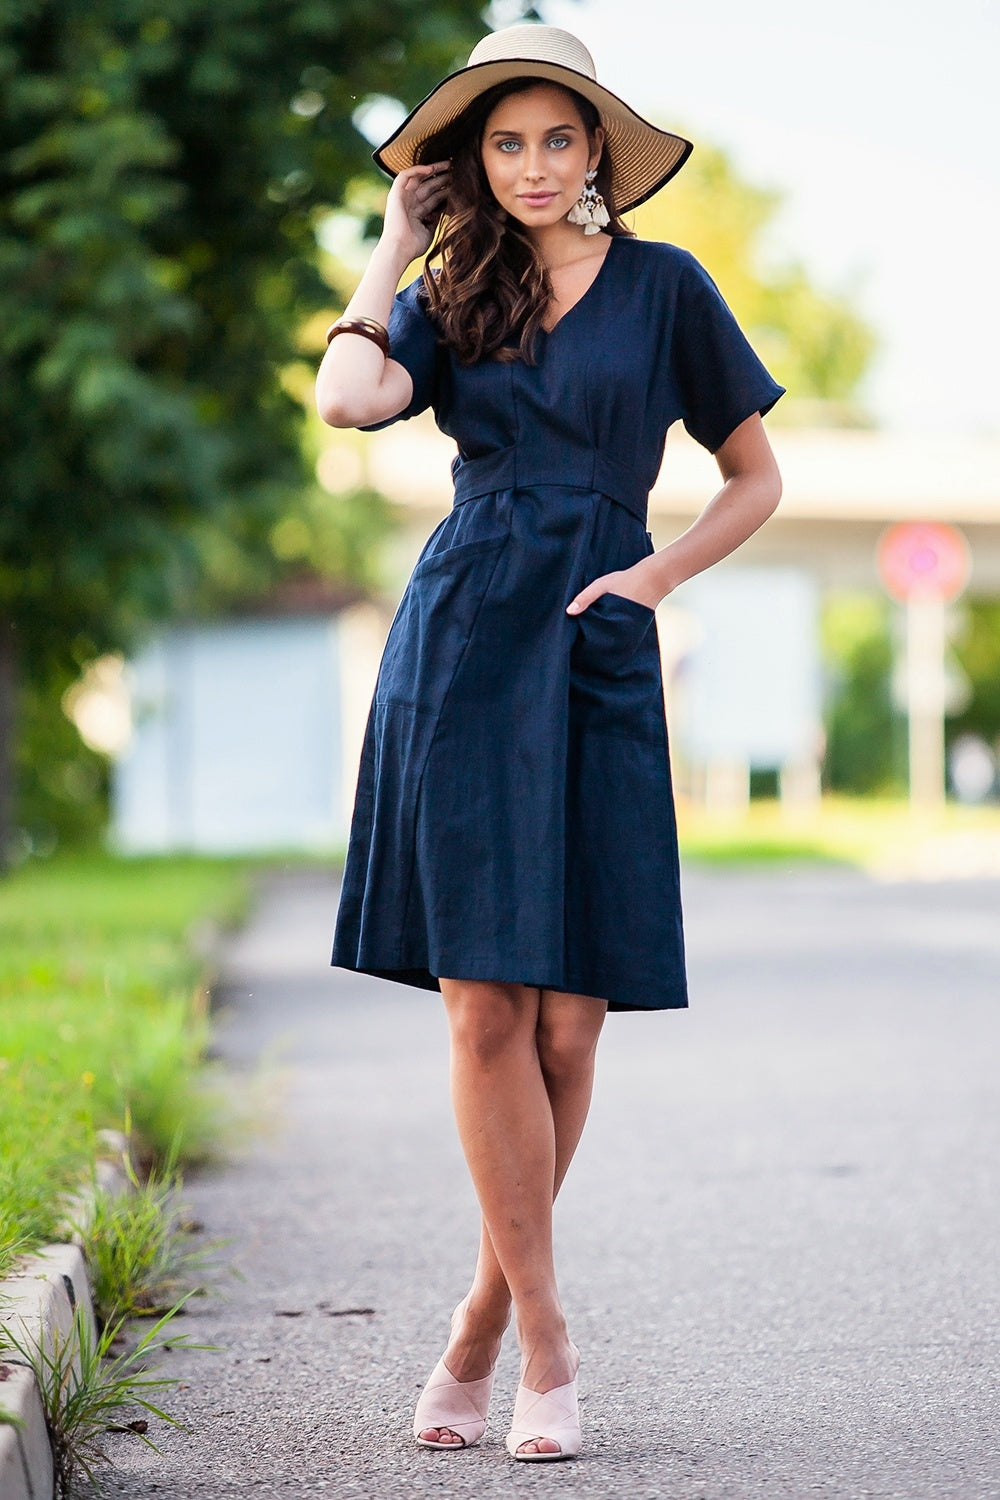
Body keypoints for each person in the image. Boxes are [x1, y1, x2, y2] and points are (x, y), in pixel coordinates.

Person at [315, 23, 784, 1462]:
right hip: (465, 643)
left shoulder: (668, 288)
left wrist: (653, 577)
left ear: (597, 154)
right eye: (503, 142)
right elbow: (348, 398)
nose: (529, 166)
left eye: (555, 139)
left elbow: (757, 478)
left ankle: (473, 1323)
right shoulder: (452, 292)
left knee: (572, 1022)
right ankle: (545, 1342)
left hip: (594, 641)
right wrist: (394, 237)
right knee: (485, 1010)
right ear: (477, 157)